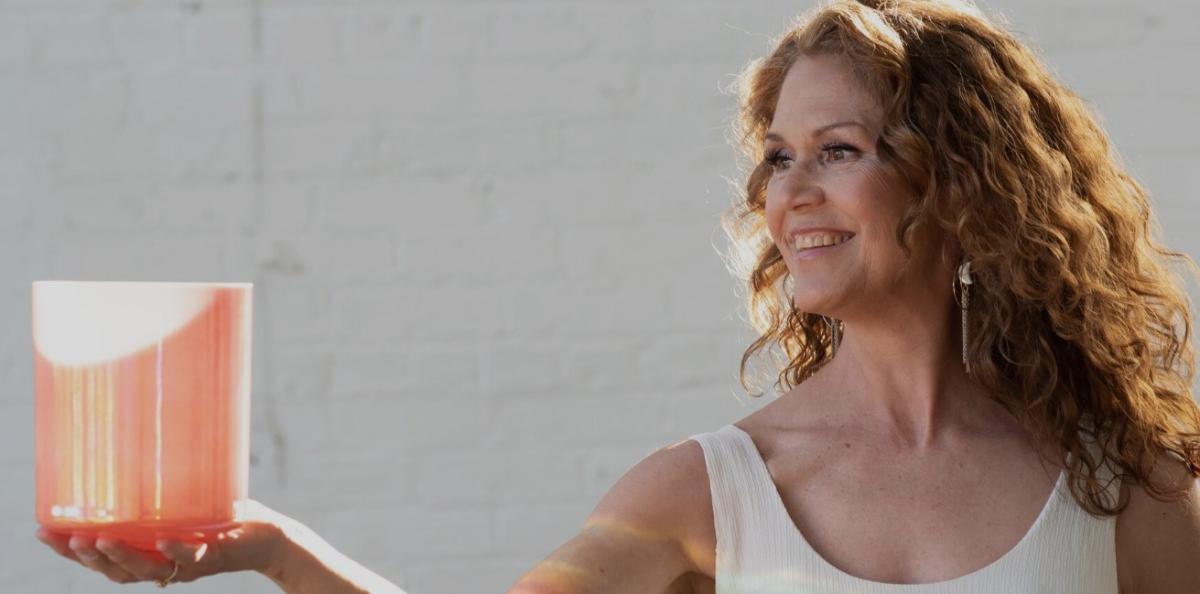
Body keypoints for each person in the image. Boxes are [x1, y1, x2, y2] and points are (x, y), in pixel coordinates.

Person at [36, 0, 1200, 592]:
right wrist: (280, 553)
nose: (790, 191)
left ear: (961, 184)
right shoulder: (714, 489)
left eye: (838, 147)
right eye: (778, 156)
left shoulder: (1116, 482)